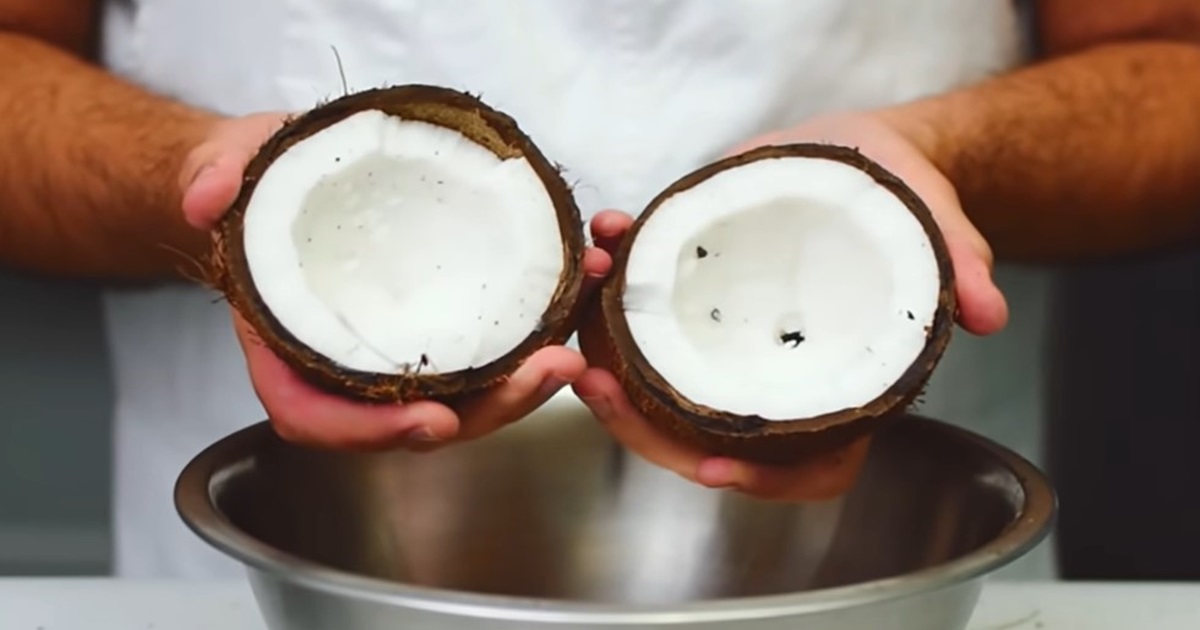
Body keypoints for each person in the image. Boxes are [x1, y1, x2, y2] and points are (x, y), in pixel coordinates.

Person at [2, 0, 1199, 579]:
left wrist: (957, 152)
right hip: (264, 586)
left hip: (887, 577)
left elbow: (1172, 65)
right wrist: (192, 184)